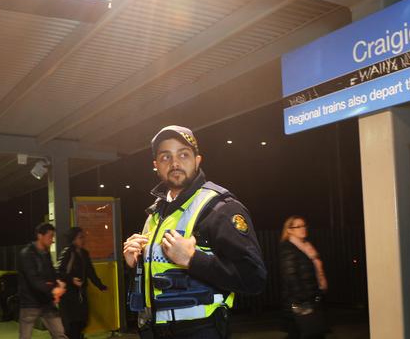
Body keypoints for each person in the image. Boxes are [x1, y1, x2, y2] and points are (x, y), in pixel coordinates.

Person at [123, 125, 267, 339]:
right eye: (165, 157)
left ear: (198, 160)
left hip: (201, 331)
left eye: (183, 154)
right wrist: (135, 262)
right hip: (153, 330)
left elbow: (254, 278)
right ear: (156, 166)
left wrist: (192, 259)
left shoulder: (221, 208)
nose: (175, 163)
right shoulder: (154, 214)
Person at [279, 216, 328, 339]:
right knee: (307, 332)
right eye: (298, 226)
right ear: (289, 230)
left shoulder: (307, 247)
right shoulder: (288, 248)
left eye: (304, 225)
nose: (303, 228)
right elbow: (290, 276)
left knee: (309, 332)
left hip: (313, 297)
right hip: (301, 301)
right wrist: (305, 299)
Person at [17, 222, 68, 339]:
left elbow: (51, 273)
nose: (52, 240)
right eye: (50, 236)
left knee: (59, 333)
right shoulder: (26, 254)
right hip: (30, 302)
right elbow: (33, 280)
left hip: (46, 301)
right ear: (40, 236)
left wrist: (57, 283)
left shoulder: (45, 252)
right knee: (25, 336)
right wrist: (53, 290)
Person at [57, 227, 108, 339]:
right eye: (80, 237)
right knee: (72, 323)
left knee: (83, 321)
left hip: (81, 294)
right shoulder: (67, 252)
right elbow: (59, 271)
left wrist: (100, 285)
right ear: (73, 239)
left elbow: (90, 272)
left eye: (83, 237)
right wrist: (72, 280)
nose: (83, 240)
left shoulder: (84, 253)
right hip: (69, 295)